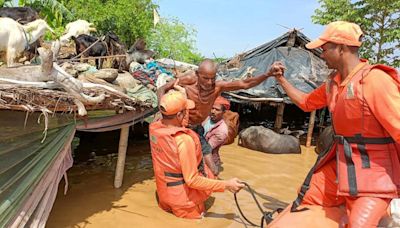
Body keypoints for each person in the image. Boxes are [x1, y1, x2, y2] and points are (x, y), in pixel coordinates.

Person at [269, 21, 400, 227]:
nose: (322, 55)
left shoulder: (375, 80)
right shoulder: (333, 83)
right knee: (306, 195)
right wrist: (282, 80)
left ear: (341, 48)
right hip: (341, 165)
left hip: (374, 174)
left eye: (325, 49)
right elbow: (305, 103)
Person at [157, 59, 285, 175]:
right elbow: (162, 89)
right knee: (177, 162)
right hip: (180, 127)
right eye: (205, 78)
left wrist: (267, 74)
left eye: (212, 78)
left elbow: (245, 83)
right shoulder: (189, 79)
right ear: (197, 74)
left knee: (209, 164)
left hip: (196, 129)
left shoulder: (218, 87)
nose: (209, 82)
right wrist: (164, 113)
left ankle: (213, 184)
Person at [149, 90, 244, 219]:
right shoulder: (183, 140)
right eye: (185, 110)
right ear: (179, 115)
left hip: (163, 194)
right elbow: (192, 180)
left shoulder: (154, 128)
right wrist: (226, 185)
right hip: (184, 202)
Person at [202, 96, 230, 175]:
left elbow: (206, 148)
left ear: (223, 112)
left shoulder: (221, 131)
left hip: (209, 161)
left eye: (217, 110)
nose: (213, 111)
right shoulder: (207, 118)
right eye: (212, 108)